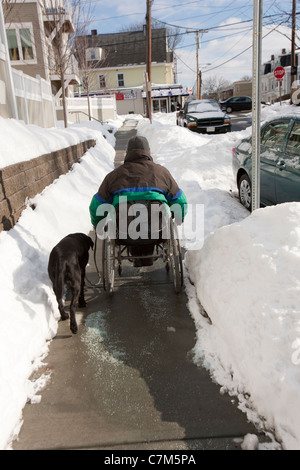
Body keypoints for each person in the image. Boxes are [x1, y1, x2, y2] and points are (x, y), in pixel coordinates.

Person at [89, 136, 187, 266]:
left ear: (128, 152)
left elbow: (97, 205)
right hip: (158, 232)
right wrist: (179, 216)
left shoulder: (114, 176)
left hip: (124, 233)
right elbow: (180, 200)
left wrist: (97, 224)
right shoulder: (161, 172)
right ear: (148, 151)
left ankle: (137, 256)